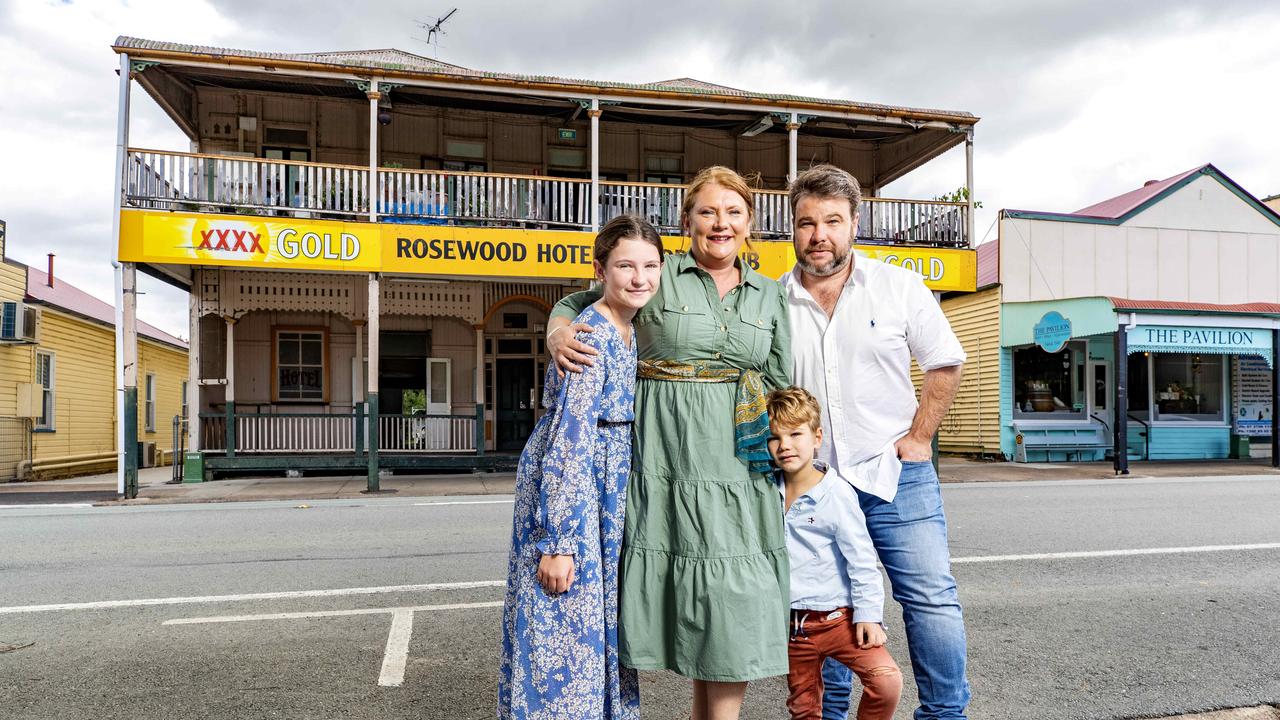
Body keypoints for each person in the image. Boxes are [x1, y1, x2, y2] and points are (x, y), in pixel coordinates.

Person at [547, 167, 793, 720]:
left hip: (741, 467)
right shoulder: (656, 273)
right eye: (708, 212)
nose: (720, 223)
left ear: (750, 223)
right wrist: (558, 333)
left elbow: (782, 385)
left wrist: (795, 460)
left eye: (733, 212)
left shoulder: (771, 295)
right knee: (684, 600)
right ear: (688, 222)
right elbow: (580, 303)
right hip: (665, 460)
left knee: (732, 604)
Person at [782, 164, 969, 720]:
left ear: (855, 223)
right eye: (807, 222)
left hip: (895, 475)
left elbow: (945, 362)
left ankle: (944, 714)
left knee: (929, 599)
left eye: (833, 221)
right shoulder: (773, 302)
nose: (820, 235)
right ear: (791, 229)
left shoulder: (897, 286)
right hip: (816, 487)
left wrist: (919, 438)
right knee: (828, 608)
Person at [498, 215, 664, 720]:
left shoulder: (627, 328)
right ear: (600, 269)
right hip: (576, 493)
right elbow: (569, 444)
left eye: (651, 265)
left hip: (603, 491)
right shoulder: (590, 336)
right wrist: (560, 542)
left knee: (594, 629)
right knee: (562, 631)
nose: (640, 278)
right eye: (626, 266)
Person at [766, 386, 902, 720]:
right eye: (774, 437)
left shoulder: (836, 494)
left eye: (795, 433)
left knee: (886, 681)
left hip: (837, 620)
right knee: (804, 707)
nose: (785, 445)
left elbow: (861, 559)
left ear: (817, 436)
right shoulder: (766, 491)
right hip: (792, 627)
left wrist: (868, 615)